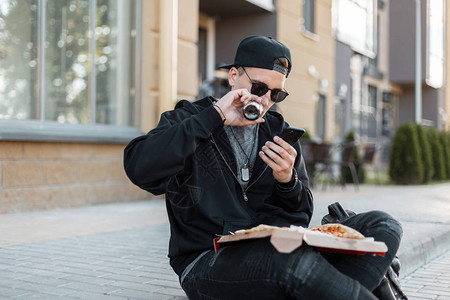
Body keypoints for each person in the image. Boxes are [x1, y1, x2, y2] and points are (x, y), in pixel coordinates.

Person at [124, 36, 402, 299]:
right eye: (258, 87)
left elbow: (300, 216)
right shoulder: (190, 118)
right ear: (233, 76)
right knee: (294, 262)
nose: (264, 99)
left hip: (276, 253)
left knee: (384, 225)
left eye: (276, 93)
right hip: (205, 260)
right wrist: (215, 116)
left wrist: (287, 181)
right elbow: (139, 167)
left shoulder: (279, 131)